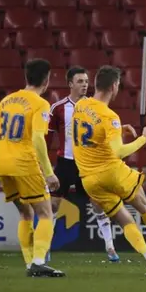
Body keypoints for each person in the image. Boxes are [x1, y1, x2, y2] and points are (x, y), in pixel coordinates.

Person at [72, 66, 146, 275]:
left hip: (88, 178)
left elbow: (93, 132)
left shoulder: (81, 105)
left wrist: (118, 130)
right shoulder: (109, 116)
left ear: (95, 84)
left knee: (122, 218)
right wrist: (144, 137)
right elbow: (119, 151)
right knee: (142, 203)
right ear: (114, 86)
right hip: (111, 170)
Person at [0, 59, 65, 277]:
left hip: (3, 163)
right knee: (46, 212)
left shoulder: (7, 100)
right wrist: (49, 172)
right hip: (24, 163)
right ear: (46, 80)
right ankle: (39, 262)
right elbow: (39, 139)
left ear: (26, 77)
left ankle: (30, 263)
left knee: (25, 212)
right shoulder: (40, 104)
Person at [47, 66, 118, 262]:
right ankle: (45, 249)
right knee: (53, 205)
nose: (85, 85)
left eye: (86, 81)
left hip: (87, 164)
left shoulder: (94, 106)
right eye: (80, 81)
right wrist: (44, 166)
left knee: (98, 204)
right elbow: (47, 138)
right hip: (65, 163)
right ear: (70, 84)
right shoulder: (59, 108)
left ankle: (110, 248)